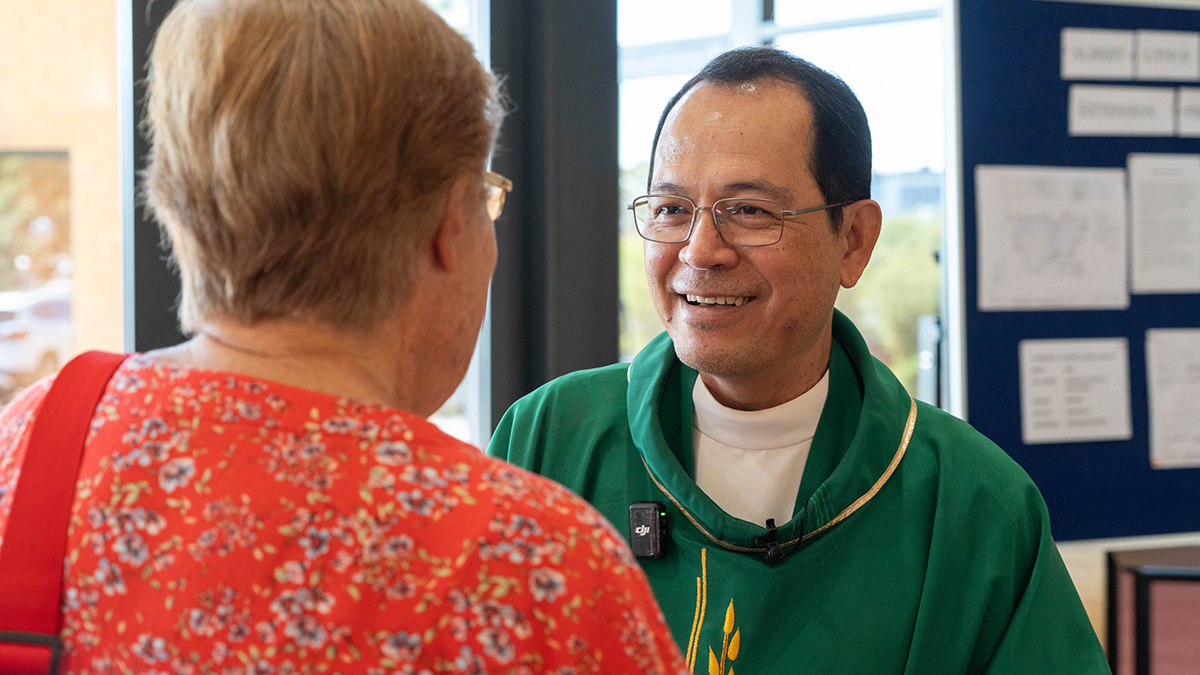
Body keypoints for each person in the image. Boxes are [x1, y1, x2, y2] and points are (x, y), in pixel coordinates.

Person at [0, 1, 688, 673]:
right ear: (450, 224)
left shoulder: (34, 445)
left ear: (177, 202)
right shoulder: (536, 569)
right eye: (485, 197)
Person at [489, 47, 1110, 674]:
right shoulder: (547, 442)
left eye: (750, 211)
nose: (701, 251)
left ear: (854, 240)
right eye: (673, 209)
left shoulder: (971, 504)